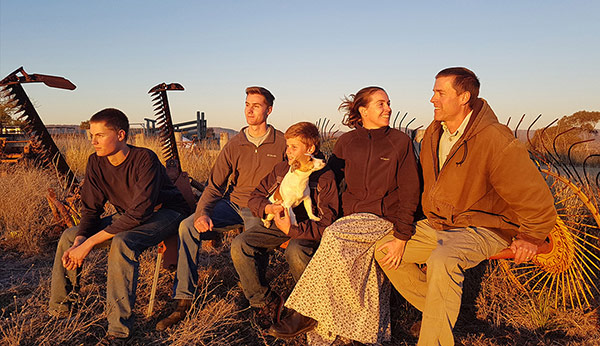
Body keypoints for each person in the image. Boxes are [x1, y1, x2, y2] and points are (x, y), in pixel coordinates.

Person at [375, 67, 557, 346]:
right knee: (384, 249)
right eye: (434, 92)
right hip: (440, 224)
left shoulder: (494, 138)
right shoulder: (433, 135)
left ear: (464, 97)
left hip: (485, 226)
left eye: (440, 93)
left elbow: (533, 194)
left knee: (442, 259)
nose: (432, 99)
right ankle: (440, 306)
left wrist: (532, 236)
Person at [270, 87, 421, 345]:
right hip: (351, 218)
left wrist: (402, 234)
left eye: (388, 103)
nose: (388, 108)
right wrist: (293, 186)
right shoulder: (347, 142)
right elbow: (329, 179)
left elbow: (410, 189)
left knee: (333, 238)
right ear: (363, 111)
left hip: (384, 219)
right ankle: (359, 334)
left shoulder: (400, 142)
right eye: (381, 104)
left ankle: (307, 313)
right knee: (360, 268)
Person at [49, 108, 190, 345]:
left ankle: (118, 330)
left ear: (121, 135)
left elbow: (141, 212)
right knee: (69, 235)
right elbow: (91, 209)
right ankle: (61, 310)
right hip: (130, 216)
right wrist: (81, 239)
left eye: (100, 135)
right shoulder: (95, 162)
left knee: (123, 243)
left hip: (167, 213)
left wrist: (90, 243)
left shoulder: (145, 159)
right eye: (91, 135)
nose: (93, 141)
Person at [156, 86, 286, 330]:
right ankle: (183, 299)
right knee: (187, 226)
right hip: (233, 203)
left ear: (269, 110)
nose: (250, 110)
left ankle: (261, 302)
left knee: (251, 242)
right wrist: (202, 212)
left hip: (262, 207)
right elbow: (215, 186)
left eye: (256, 105)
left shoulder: (282, 143)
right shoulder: (235, 144)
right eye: (247, 104)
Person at [231, 121, 339, 330]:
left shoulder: (325, 177)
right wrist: (268, 209)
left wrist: (295, 230)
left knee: (296, 250)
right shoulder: (282, 170)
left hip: (307, 228)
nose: (288, 151)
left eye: (294, 147)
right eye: (287, 146)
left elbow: (327, 223)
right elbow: (255, 197)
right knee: (240, 244)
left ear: (310, 150)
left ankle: (308, 309)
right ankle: (264, 301)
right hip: (279, 219)